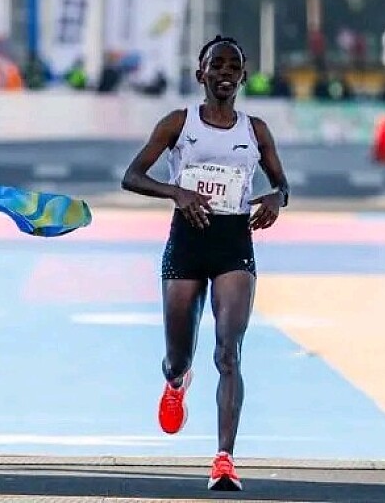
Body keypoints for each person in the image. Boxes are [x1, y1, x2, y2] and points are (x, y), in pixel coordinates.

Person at [121, 35, 290, 493]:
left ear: (243, 76)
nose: (225, 73)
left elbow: (282, 186)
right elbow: (132, 176)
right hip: (187, 243)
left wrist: (275, 200)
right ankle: (177, 382)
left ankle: (224, 460)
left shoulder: (255, 131)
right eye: (217, 65)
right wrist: (177, 193)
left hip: (234, 243)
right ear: (201, 74)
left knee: (228, 352)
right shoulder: (179, 123)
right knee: (178, 356)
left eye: (233, 66)